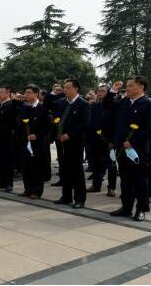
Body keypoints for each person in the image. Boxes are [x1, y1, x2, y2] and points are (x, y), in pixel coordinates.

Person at [109, 76, 151, 222]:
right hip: (121, 147)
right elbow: (107, 105)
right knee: (125, 179)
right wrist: (113, 91)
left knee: (140, 181)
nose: (127, 88)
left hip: (138, 149)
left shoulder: (149, 105)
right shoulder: (123, 102)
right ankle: (126, 207)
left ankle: (141, 209)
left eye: (131, 85)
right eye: (127, 86)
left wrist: (132, 141)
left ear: (141, 87)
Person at [53, 77, 90, 209]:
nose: (65, 90)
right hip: (61, 140)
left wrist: (69, 134)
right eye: (64, 87)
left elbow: (85, 124)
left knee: (76, 170)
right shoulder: (62, 102)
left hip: (75, 142)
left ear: (76, 89)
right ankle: (66, 196)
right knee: (64, 169)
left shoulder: (82, 104)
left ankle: (79, 199)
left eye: (68, 88)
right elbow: (56, 117)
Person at [17, 84, 50, 199]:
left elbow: (47, 125)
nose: (26, 95)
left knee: (37, 167)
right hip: (25, 141)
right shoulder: (24, 107)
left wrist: (37, 135)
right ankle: (28, 189)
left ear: (36, 94)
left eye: (29, 92)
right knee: (26, 166)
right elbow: (19, 121)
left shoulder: (42, 108)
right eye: (25, 93)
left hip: (37, 142)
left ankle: (36, 191)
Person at [0, 85, 17, 191]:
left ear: (8, 93)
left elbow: (13, 122)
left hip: (8, 136)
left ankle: (8, 183)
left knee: (8, 160)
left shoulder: (11, 104)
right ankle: (1, 181)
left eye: (2, 92)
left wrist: (0, 127)